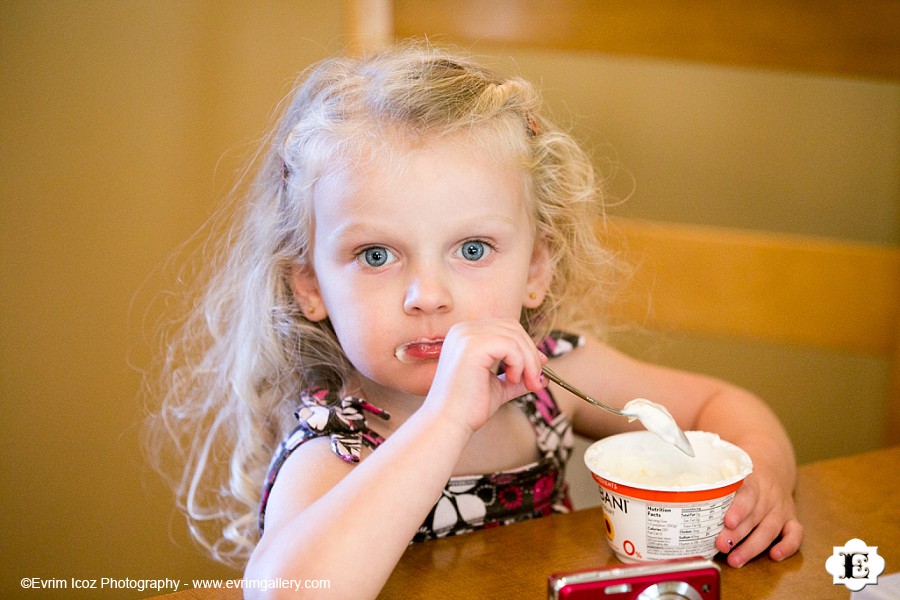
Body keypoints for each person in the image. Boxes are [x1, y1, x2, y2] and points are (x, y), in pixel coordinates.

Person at [147, 42, 802, 599]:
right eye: (376, 255)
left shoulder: (552, 373)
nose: (428, 295)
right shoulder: (337, 442)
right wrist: (445, 419)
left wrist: (764, 475)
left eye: (472, 250)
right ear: (312, 285)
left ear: (536, 267)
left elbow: (718, 403)